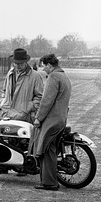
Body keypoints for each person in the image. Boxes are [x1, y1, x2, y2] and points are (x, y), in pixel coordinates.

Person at [0, 48, 44, 175]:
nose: (18, 66)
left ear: (26, 62)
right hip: (8, 112)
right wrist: (3, 102)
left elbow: (40, 96)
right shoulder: (10, 74)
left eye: (20, 63)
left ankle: (23, 166)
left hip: (24, 114)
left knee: (23, 141)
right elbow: (4, 90)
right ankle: (5, 165)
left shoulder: (35, 76)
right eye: (16, 63)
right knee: (6, 139)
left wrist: (30, 106)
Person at [31, 54, 72, 191]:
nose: (43, 69)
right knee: (51, 149)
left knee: (47, 150)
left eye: (43, 66)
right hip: (61, 119)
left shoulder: (53, 77)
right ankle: (50, 180)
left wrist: (38, 118)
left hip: (52, 120)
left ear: (49, 65)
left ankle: (50, 183)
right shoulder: (64, 76)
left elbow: (46, 101)